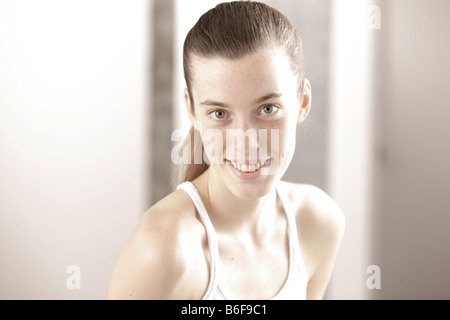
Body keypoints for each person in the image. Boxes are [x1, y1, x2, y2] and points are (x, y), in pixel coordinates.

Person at [108, 1, 345, 300]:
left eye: (267, 109)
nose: (246, 142)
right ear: (191, 110)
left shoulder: (318, 223)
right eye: (220, 114)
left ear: (303, 102)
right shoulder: (165, 250)